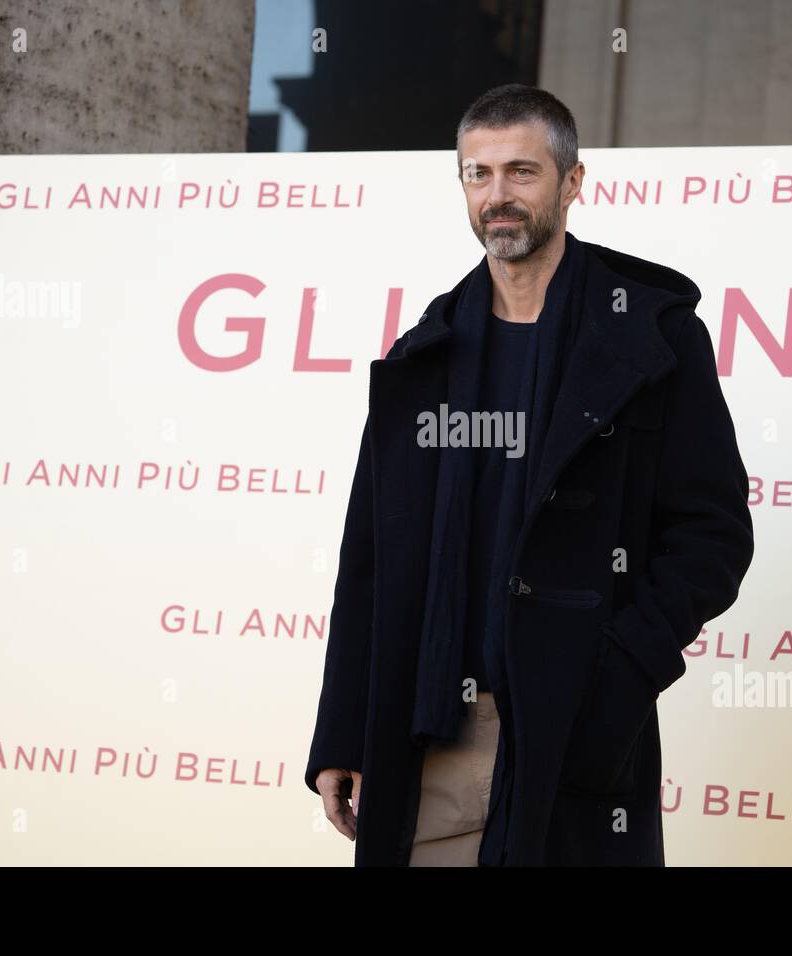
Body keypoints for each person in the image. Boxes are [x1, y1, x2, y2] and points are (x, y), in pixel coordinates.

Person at [306, 83, 754, 866]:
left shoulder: (653, 338)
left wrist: (622, 669)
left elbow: (713, 535)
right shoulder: (427, 355)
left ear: (573, 183)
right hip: (429, 725)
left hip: (574, 719)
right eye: (477, 175)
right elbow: (370, 559)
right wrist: (345, 728)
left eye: (522, 171)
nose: (497, 196)